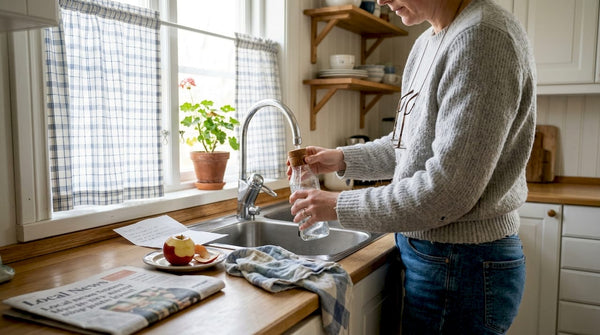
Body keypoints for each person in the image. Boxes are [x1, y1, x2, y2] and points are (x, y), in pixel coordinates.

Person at [289, 0, 536, 334]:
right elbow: (407, 145)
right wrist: (341, 158)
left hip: (463, 265)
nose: (380, 1)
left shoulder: (481, 38)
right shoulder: (428, 42)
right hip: (436, 257)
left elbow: (446, 192)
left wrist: (337, 205)